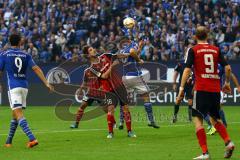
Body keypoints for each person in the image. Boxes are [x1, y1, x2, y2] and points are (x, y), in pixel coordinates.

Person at [177, 26, 234, 159]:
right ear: (207, 36)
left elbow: (186, 70)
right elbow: (228, 67)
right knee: (215, 119)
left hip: (201, 89)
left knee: (197, 119)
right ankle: (228, 142)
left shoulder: (193, 50)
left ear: (195, 37)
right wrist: (226, 83)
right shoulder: (216, 50)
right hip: (215, 90)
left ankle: (205, 153)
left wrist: (181, 89)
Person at [0, 33, 54, 148]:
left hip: (13, 87)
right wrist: (47, 83)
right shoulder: (26, 55)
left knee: (18, 114)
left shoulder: (4, 54)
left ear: (9, 42)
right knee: (14, 114)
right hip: (24, 87)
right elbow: (36, 68)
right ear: (20, 42)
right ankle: (8, 142)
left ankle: (32, 139)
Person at [118, 37, 159, 129]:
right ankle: (150, 120)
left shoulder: (122, 49)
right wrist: (138, 60)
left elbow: (132, 54)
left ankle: (121, 121)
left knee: (124, 101)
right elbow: (133, 52)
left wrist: (139, 48)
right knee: (146, 96)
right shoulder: (132, 44)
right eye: (141, 41)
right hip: (135, 76)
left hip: (125, 77)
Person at [172, 56, 194, 123]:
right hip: (182, 84)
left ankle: (190, 118)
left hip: (190, 86)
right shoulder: (181, 64)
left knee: (190, 101)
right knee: (178, 100)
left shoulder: (194, 64)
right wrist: (174, 83)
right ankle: (175, 116)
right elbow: (176, 72)